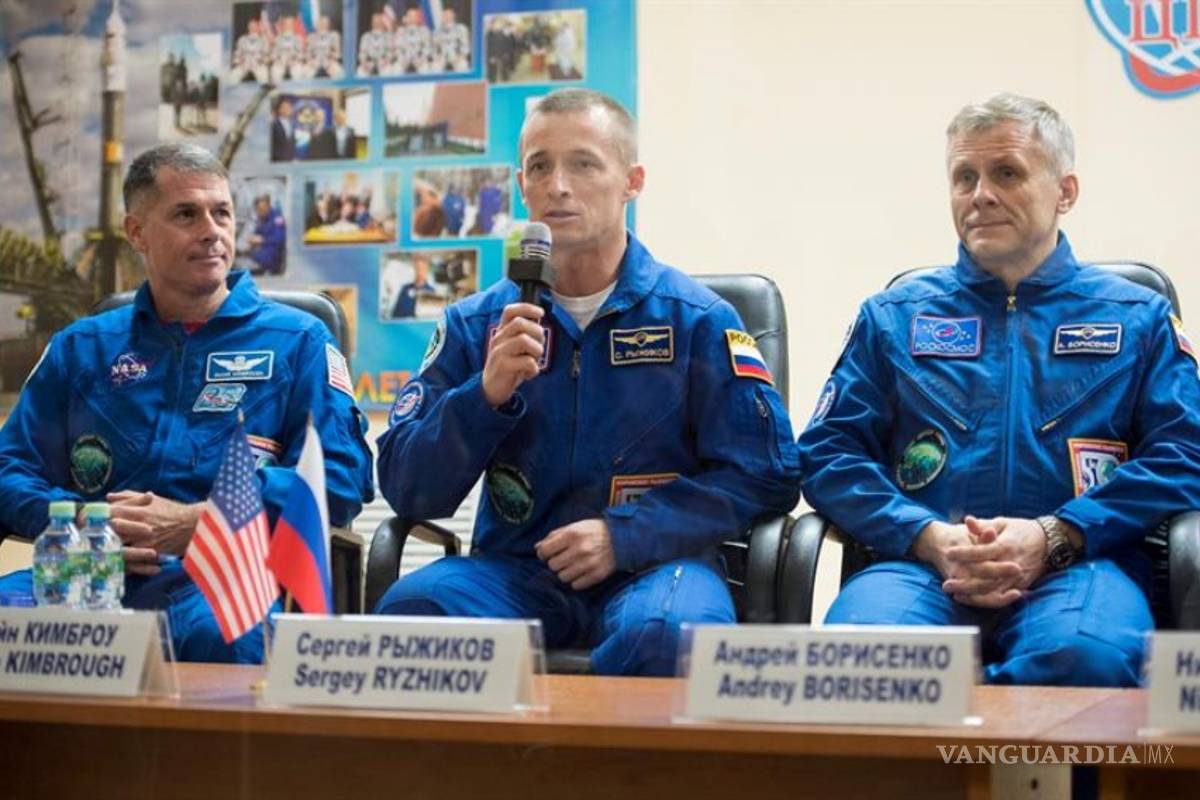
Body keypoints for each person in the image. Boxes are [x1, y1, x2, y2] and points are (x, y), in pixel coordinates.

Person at [373, 89, 801, 677]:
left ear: (632, 181)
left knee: (669, 637)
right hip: (516, 570)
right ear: (520, 185)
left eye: (583, 163)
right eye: (540, 167)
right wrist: (482, 398)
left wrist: (623, 537)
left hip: (657, 565)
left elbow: (766, 475)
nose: (559, 186)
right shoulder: (475, 326)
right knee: (410, 614)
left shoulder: (698, 320)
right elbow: (409, 491)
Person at [797, 93, 1200, 687]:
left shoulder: (1137, 318)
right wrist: (925, 536)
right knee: (864, 660)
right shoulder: (894, 318)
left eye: (1006, 173)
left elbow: (1185, 455)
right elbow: (829, 455)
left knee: (1084, 658)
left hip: (1082, 565)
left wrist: (1056, 535)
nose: (980, 194)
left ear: (1065, 191)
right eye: (964, 177)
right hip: (922, 568)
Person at [0, 143, 375, 663]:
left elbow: (340, 476)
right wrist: (77, 520)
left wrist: (204, 520)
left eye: (221, 212)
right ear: (137, 233)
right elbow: (9, 467)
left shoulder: (298, 342)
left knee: (228, 639)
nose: (211, 230)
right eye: (185, 214)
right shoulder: (82, 347)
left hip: (223, 573)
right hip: (88, 571)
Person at [245, 193, 286, 276]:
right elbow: (257, 234)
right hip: (259, 255)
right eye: (258, 210)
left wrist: (262, 240)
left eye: (262, 209)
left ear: (268, 206)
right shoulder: (261, 220)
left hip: (271, 258)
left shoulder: (277, 218)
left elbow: (280, 239)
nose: (260, 212)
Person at [305, 14, 344, 79]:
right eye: (321, 23)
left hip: (330, 62)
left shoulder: (334, 36)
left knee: (339, 73)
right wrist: (311, 62)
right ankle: (309, 89)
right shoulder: (311, 37)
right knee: (304, 72)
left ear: (328, 24)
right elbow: (308, 54)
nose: (322, 25)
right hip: (314, 62)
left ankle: (335, 89)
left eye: (325, 23)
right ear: (317, 24)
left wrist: (331, 61)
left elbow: (338, 54)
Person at [270, 97, 296, 162]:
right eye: (284, 107)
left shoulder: (292, 124)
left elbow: (291, 144)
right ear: (279, 109)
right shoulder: (273, 124)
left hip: (289, 160)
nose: (287, 109)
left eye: (289, 107)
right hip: (277, 160)